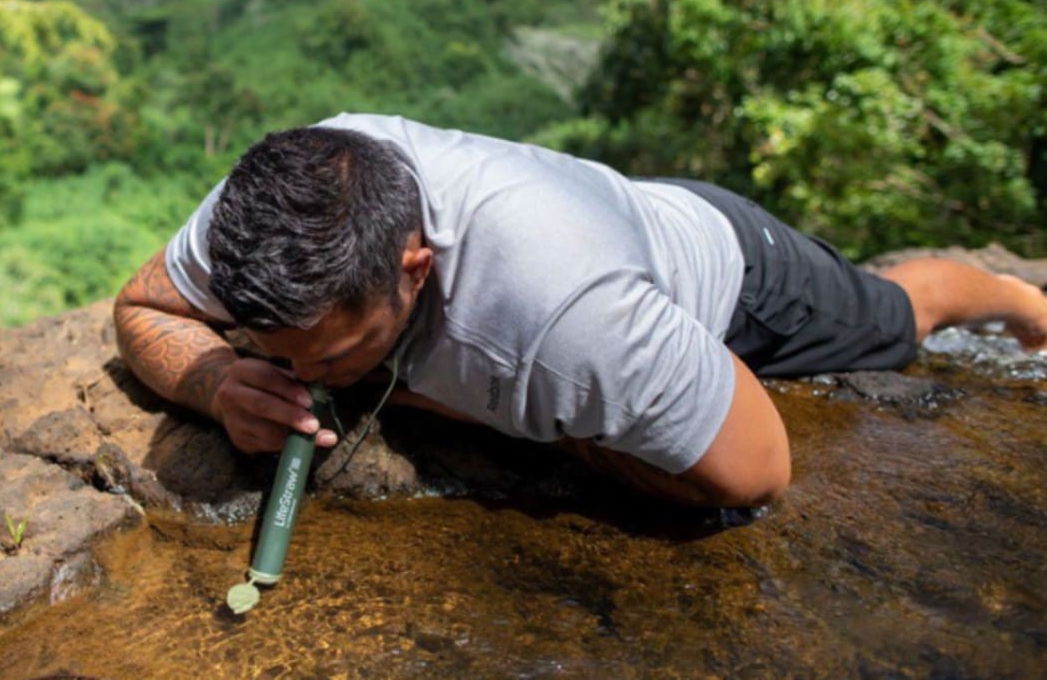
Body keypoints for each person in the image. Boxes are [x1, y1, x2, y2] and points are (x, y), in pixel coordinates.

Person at [114, 114, 1047, 508]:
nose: (301, 379)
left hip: (733, 269)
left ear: (415, 267)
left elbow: (759, 471)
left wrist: (552, 432)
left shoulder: (563, 328)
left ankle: (1014, 295)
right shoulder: (272, 208)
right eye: (282, 354)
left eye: (331, 355)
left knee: (896, 316)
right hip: (604, 216)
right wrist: (214, 380)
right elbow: (142, 305)